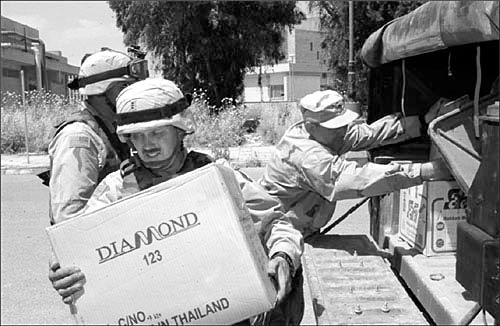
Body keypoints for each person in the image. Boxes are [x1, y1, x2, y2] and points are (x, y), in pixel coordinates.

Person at [48, 78, 304, 326]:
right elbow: (80, 249)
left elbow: (276, 224)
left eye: (157, 132)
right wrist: (65, 271)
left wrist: (283, 256)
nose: (147, 144)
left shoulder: (218, 177)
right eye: (137, 135)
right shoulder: (115, 189)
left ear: (179, 129)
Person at [258, 89, 452, 237]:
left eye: (344, 124)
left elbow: (369, 134)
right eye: (335, 128)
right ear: (310, 126)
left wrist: (421, 122)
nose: (343, 131)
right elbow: (360, 178)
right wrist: (426, 171)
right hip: (279, 233)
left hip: (299, 228)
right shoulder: (308, 156)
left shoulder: (325, 134)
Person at [44, 48, 149, 225]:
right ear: (99, 91)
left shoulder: (113, 128)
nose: (133, 95)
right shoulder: (78, 138)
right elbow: (68, 220)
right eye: (124, 88)